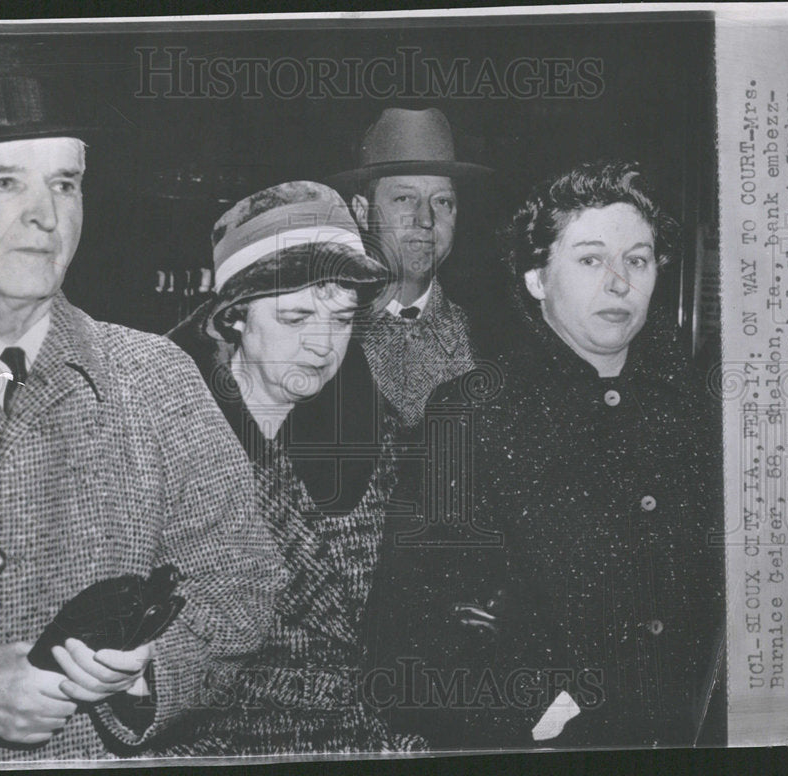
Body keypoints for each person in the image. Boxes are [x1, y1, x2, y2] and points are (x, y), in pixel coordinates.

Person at [0, 68, 284, 764]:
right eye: (6, 182)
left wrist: (148, 672)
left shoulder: (155, 378)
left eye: (65, 183)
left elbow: (241, 582)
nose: (46, 215)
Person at [416, 159, 726, 748]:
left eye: (637, 260)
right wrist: (534, 697)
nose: (619, 283)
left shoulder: (692, 409)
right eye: (590, 259)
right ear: (537, 278)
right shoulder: (474, 412)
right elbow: (429, 605)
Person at [165, 181, 424, 754]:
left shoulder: (386, 439)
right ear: (235, 317)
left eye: (341, 319)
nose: (321, 345)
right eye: (296, 317)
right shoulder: (165, 438)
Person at [327, 107, 491, 428]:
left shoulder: (489, 341)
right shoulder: (318, 336)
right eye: (404, 199)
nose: (426, 220)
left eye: (443, 201)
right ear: (362, 212)